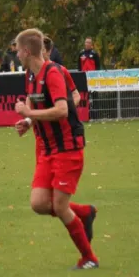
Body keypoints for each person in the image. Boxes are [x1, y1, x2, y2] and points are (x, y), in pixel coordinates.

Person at [13, 28, 99, 269]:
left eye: (18, 50)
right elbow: (34, 102)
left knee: (60, 206)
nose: (16, 55)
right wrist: (28, 122)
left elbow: (62, 110)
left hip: (67, 148)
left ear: (27, 51)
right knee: (39, 203)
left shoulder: (54, 73)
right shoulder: (30, 75)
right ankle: (84, 213)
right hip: (46, 150)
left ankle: (89, 258)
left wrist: (29, 113)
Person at [43, 36, 97, 241]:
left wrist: (64, 109)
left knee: (49, 200)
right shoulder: (34, 74)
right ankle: (84, 212)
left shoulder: (59, 70)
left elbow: (75, 95)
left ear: (48, 51)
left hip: (65, 136)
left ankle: (87, 250)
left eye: (43, 51)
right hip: (46, 139)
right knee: (42, 200)